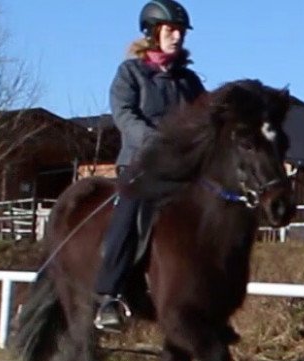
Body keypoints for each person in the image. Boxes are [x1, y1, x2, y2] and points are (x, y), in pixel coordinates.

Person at [94, 0, 205, 332]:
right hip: (141, 162)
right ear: (153, 33)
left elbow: (204, 119)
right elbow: (124, 114)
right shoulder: (130, 73)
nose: (177, 36)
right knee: (129, 213)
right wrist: (154, 141)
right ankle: (109, 296)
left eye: (180, 31)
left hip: (180, 168)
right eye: (170, 30)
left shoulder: (189, 81)